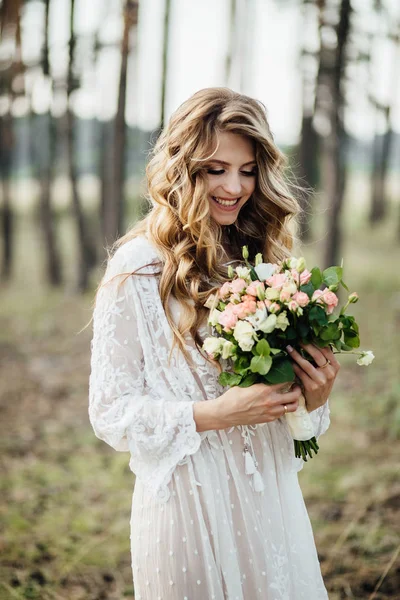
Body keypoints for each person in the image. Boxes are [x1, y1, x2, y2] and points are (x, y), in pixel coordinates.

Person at [88, 87, 340, 599]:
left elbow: (292, 424)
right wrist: (213, 414)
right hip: (186, 503)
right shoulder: (138, 268)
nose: (235, 186)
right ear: (183, 168)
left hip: (269, 500)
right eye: (215, 169)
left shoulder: (264, 263)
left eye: (247, 170)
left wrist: (313, 398)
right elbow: (110, 411)